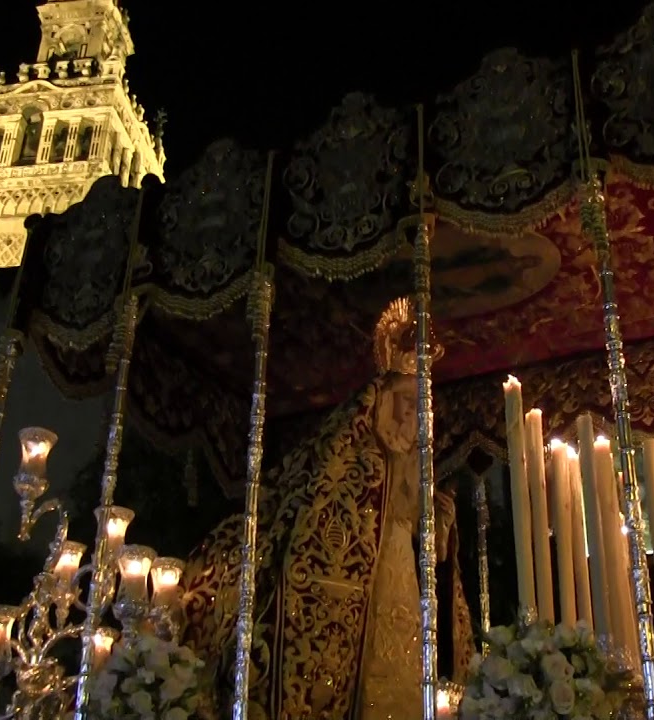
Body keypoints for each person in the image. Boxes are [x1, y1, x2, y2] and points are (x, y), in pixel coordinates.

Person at [182, 297, 474, 720]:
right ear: (383, 405)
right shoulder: (352, 455)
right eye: (407, 405)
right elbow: (326, 505)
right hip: (365, 575)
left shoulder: (412, 462)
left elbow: (419, 528)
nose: (415, 418)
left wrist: (437, 523)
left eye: (420, 408)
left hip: (400, 568)